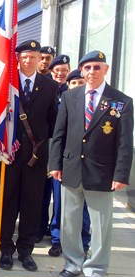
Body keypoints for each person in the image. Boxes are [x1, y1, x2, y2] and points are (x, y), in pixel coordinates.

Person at [49, 50, 133, 277]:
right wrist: (55, 164)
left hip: (102, 173)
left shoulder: (122, 101)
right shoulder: (70, 97)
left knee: (100, 226)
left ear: (106, 69)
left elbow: (125, 142)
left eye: (97, 67)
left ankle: (95, 268)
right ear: (82, 71)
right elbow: (59, 134)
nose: (92, 72)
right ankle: (73, 263)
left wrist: (121, 174)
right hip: (71, 169)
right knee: (69, 223)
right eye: (87, 68)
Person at [0, 40, 58, 272]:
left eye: (33, 56)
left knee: (32, 204)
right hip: (9, 154)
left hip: (35, 156)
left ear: (40, 58)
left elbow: (54, 123)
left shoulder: (50, 86)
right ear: (18, 58)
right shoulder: (7, 84)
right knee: (7, 202)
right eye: (24, 56)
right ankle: (5, 249)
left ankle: (26, 250)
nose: (28, 60)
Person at [48, 67, 92, 258]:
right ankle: (58, 240)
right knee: (60, 204)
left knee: (85, 208)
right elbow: (57, 136)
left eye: (81, 83)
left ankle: (84, 242)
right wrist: (54, 164)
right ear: (67, 85)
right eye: (73, 83)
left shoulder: (95, 104)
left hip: (90, 164)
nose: (77, 86)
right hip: (67, 162)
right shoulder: (64, 103)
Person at [36, 53, 71, 243]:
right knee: (42, 191)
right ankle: (39, 227)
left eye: (64, 71)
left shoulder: (73, 91)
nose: (60, 74)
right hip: (46, 145)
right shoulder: (45, 89)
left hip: (65, 149)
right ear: (51, 71)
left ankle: (56, 231)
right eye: (57, 71)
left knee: (59, 196)